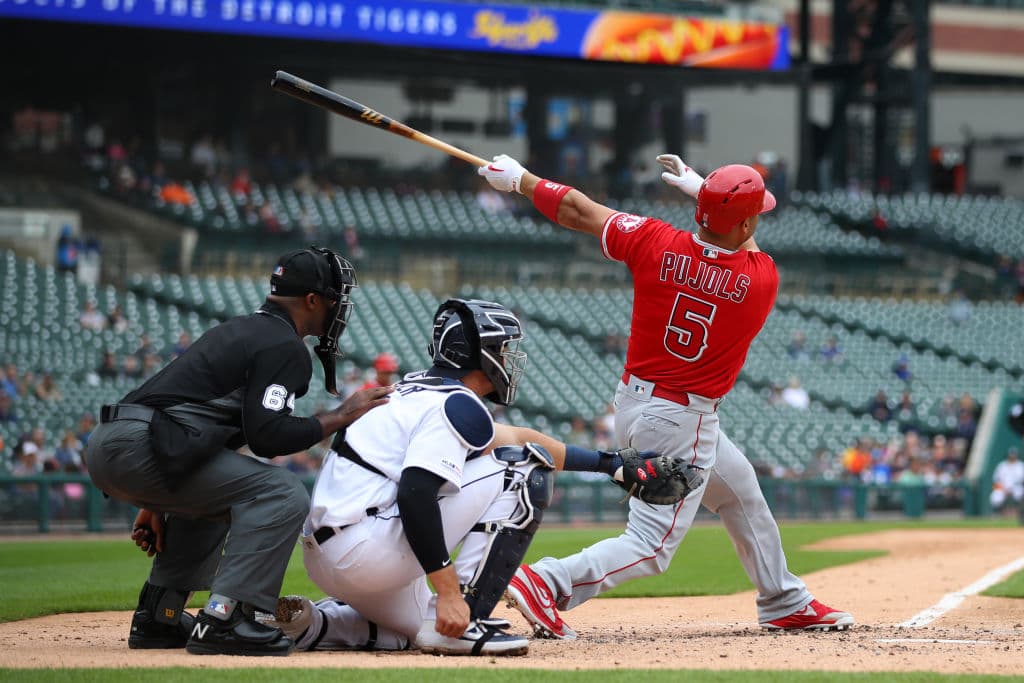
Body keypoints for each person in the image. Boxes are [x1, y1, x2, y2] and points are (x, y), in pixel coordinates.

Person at [477, 151, 853, 638]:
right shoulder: (759, 279)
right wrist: (705, 191)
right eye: (754, 214)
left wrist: (521, 181)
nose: (758, 219)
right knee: (651, 544)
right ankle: (546, 581)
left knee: (740, 493)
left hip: (635, 403)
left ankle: (784, 599)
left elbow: (578, 210)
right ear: (743, 224)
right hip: (684, 419)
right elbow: (743, 238)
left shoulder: (655, 241)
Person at [262, 299, 670, 656]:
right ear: (479, 353)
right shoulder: (455, 402)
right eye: (503, 349)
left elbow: (515, 435)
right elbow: (416, 494)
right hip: (365, 551)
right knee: (523, 467)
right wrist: (449, 594)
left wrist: (610, 463)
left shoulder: (416, 391)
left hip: (330, 555)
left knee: (418, 630)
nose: (509, 359)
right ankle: (469, 619)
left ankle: (314, 624)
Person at [83, 246, 392, 657]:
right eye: (335, 299)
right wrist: (341, 415)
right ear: (313, 300)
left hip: (118, 441)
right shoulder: (283, 345)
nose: (339, 309)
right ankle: (227, 618)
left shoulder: (243, 329)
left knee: (227, 496)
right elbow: (268, 437)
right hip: (143, 445)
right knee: (282, 493)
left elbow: (187, 412)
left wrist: (157, 500)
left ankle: (160, 615)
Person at [990, 448, 1024, 514]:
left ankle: (1020, 513)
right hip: (1003, 488)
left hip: (1017, 488)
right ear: (1008, 455)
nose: (1012, 456)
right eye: (1011, 455)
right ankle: (996, 514)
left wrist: (1012, 490)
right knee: (995, 496)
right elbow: (995, 481)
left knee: (1020, 493)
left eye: (1014, 455)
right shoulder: (1002, 465)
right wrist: (1003, 489)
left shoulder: (1021, 465)